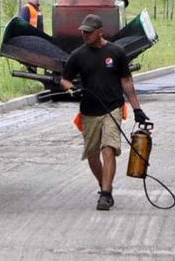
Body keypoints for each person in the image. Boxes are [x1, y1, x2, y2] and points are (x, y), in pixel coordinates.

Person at [60, 14, 148, 211]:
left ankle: (106, 195)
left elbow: (126, 82)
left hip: (112, 108)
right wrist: (71, 89)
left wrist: (137, 109)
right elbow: (64, 79)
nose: (84, 35)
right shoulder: (78, 55)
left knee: (108, 149)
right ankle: (103, 184)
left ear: (100, 32)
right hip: (89, 111)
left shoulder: (116, 52)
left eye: (89, 32)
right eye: (83, 32)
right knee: (92, 155)